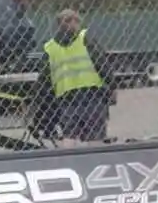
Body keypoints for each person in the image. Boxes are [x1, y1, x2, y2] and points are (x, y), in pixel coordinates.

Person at [42, 8, 116, 143]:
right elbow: (102, 64)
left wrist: (45, 110)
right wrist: (111, 87)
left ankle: (69, 162)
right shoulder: (85, 39)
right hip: (92, 97)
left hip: (67, 100)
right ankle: (95, 163)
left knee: (69, 137)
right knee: (95, 137)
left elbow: (44, 81)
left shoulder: (50, 47)